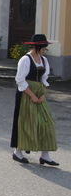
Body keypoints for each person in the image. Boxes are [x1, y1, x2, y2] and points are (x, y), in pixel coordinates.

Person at [11, 34, 59, 166]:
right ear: (37, 47)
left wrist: (43, 93)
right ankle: (18, 152)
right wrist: (32, 95)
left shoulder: (44, 60)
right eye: (44, 48)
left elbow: (44, 78)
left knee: (46, 122)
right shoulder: (25, 60)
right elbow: (20, 80)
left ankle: (45, 155)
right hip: (25, 93)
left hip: (39, 93)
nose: (45, 50)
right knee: (26, 123)